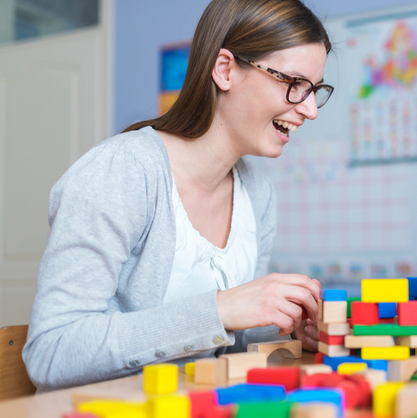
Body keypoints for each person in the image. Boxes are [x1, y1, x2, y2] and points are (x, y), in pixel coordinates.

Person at [23, 0, 334, 391]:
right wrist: (218, 309)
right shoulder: (124, 171)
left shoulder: (257, 191)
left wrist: (290, 333)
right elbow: (51, 351)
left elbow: (232, 345)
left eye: (315, 90)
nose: (310, 109)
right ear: (225, 70)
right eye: (294, 85)